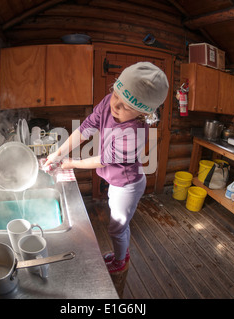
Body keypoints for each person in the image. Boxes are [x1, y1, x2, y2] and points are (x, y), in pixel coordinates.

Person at [45, 62, 169, 273]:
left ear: (142, 114)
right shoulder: (109, 102)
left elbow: (104, 159)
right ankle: (124, 250)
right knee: (120, 224)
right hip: (116, 181)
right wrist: (59, 152)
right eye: (115, 95)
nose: (115, 106)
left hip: (127, 185)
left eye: (125, 107)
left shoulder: (135, 133)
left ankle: (120, 261)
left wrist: (71, 163)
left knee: (116, 227)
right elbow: (85, 129)